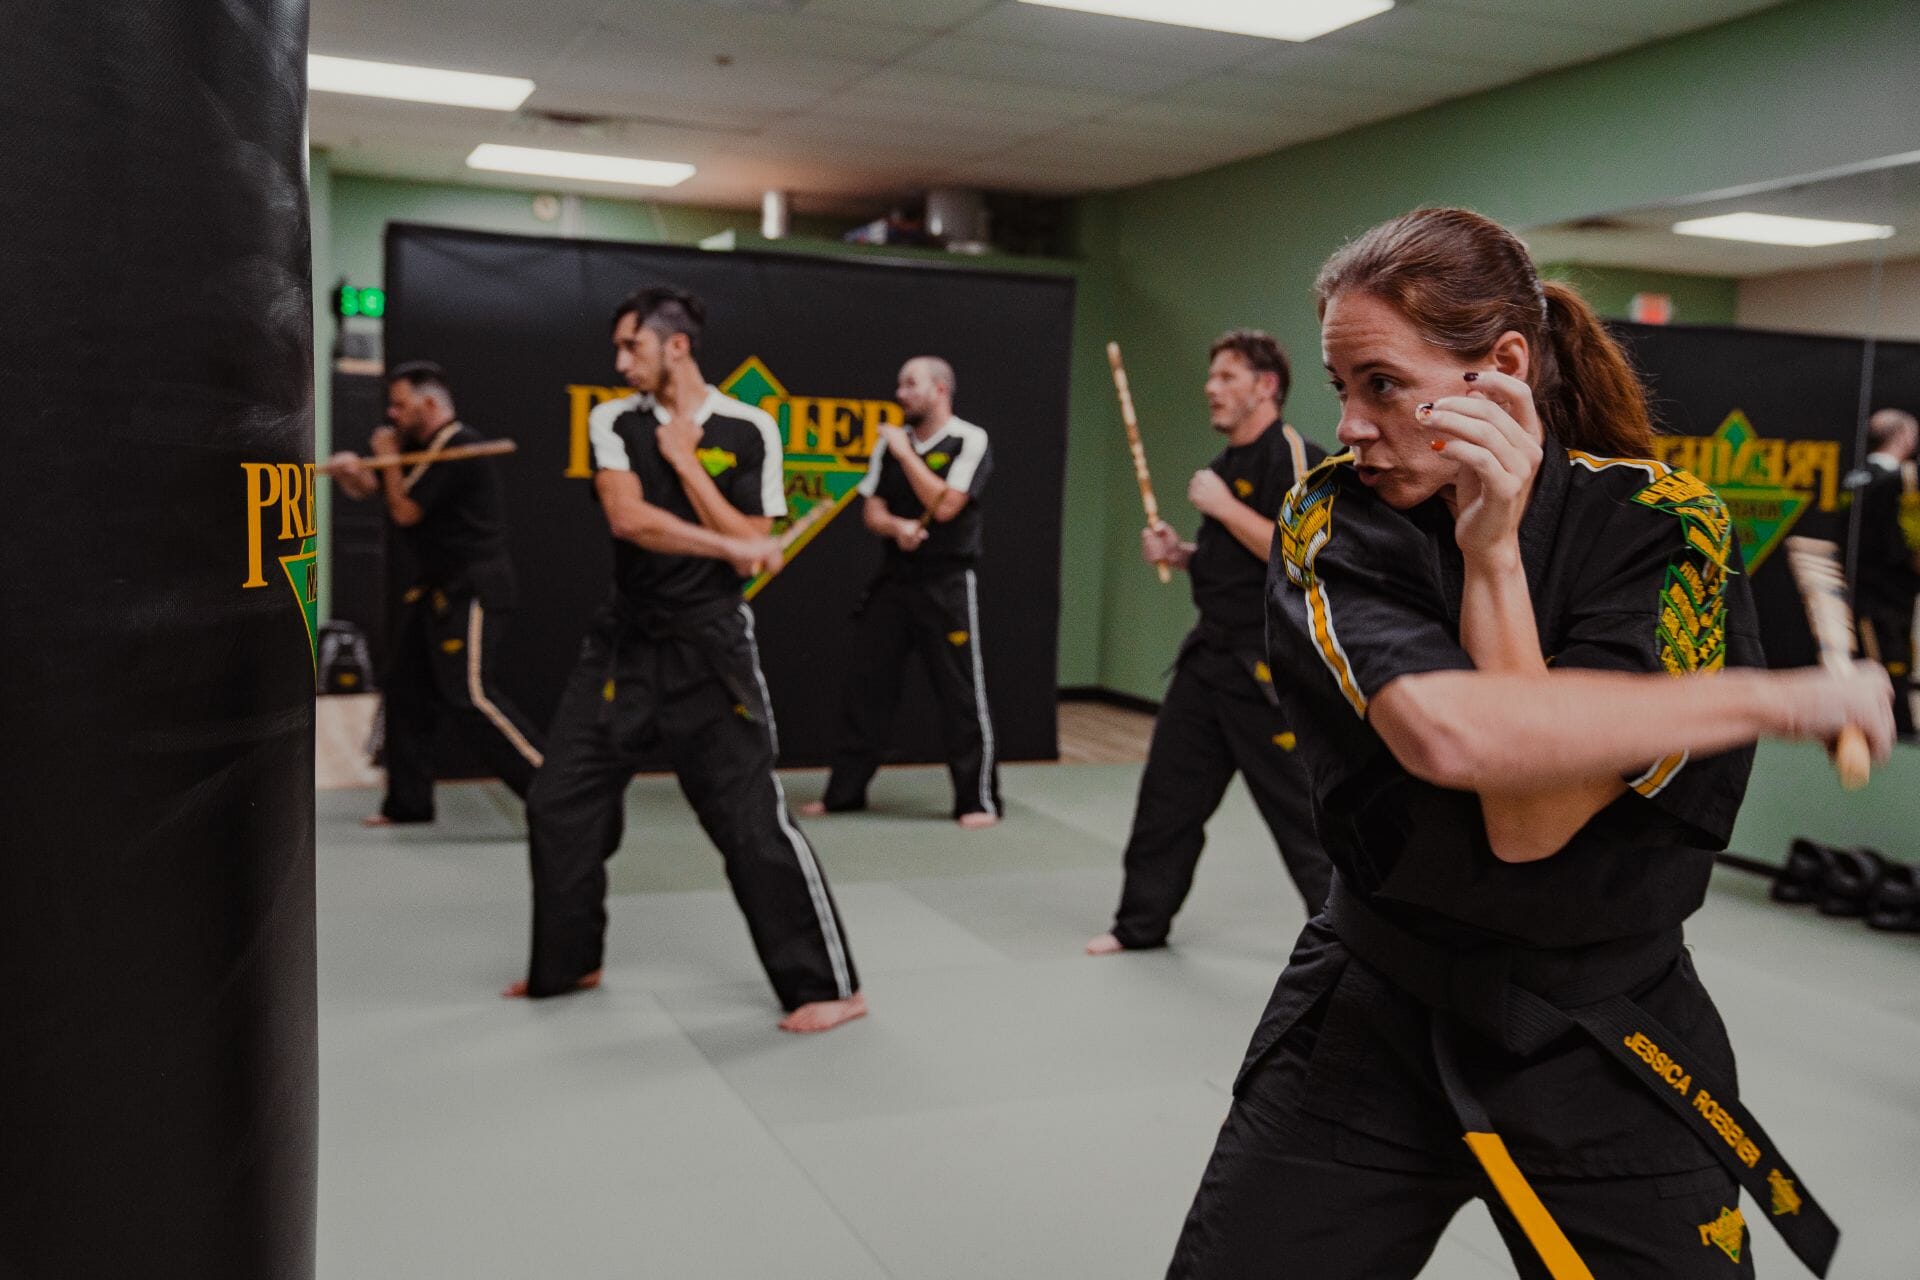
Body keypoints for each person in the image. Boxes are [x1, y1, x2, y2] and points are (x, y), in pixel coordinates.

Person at [1167, 208, 1893, 1279]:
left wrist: (1494, 559)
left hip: (1608, 1028)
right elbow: (1466, 745)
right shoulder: (1335, 520)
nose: (1353, 426)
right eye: (1340, 387)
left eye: (1381, 382)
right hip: (1375, 1009)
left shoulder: (1661, 522)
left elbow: (1535, 818)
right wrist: (1784, 696)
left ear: (1501, 366)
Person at [507, 286, 865, 1034]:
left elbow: (754, 530)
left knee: (749, 822)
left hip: (710, 648)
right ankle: (570, 959)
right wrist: (729, 544)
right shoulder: (613, 419)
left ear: (676, 346)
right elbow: (629, 518)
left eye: (630, 347)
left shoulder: (749, 428)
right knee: (558, 802)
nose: (619, 361)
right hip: (624, 642)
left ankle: (826, 986)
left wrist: (689, 465)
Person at [1087, 331, 1332, 956]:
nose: (1210, 388)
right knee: (1167, 798)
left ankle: (1350, 943)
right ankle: (1138, 925)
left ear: (1266, 386)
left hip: (1270, 665)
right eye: (1212, 376)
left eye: (1226, 377)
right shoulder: (1226, 466)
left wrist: (1223, 510)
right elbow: (1239, 563)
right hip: (1209, 656)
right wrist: (1184, 553)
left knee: (1303, 818)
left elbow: (1301, 559)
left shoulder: (1297, 457)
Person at [329, 361, 545, 826]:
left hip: (472, 587)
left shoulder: (459, 447)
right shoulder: (419, 449)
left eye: (400, 404)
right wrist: (351, 471)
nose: (391, 413)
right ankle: (408, 803)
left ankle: (555, 794)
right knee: (405, 689)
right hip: (433, 590)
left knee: (470, 695)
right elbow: (377, 489)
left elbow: (404, 511)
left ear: (430, 404)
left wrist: (385, 453)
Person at [800, 357, 1001, 827]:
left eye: (911, 384)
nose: (900, 392)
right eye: (899, 384)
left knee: (960, 694)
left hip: (947, 583)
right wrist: (897, 527)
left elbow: (947, 504)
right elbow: (872, 510)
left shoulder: (969, 440)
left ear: (940, 390)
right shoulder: (888, 445)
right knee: (867, 689)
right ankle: (844, 793)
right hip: (894, 581)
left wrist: (906, 454)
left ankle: (976, 800)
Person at [1853, 407, 1918, 735]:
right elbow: (1896, 545)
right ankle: (1896, 734)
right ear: (1905, 438)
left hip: (1866, 597)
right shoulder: (1896, 483)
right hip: (1884, 602)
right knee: (1888, 675)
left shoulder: (1856, 477)